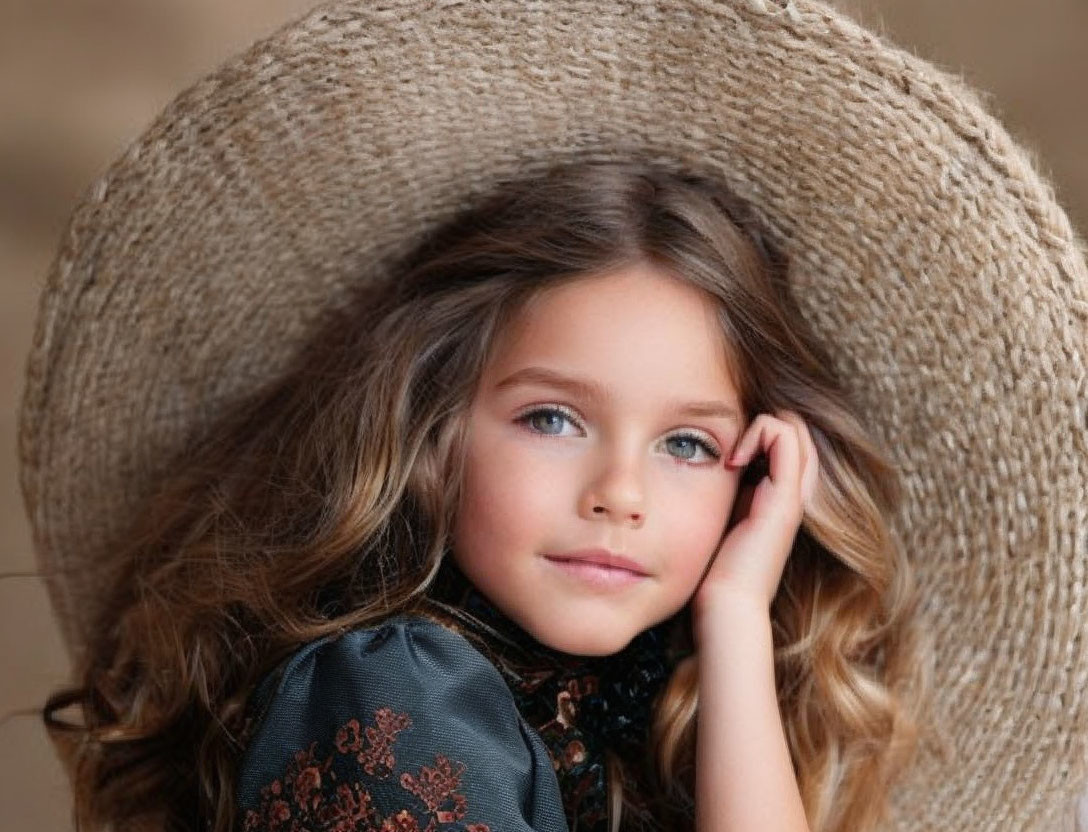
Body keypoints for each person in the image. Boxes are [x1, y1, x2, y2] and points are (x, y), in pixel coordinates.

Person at [42, 158, 931, 832]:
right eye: (552, 420)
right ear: (432, 432)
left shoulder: (628, 714)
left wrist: (735, 615)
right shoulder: (395, 694)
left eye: (688, 443)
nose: (620, 494)